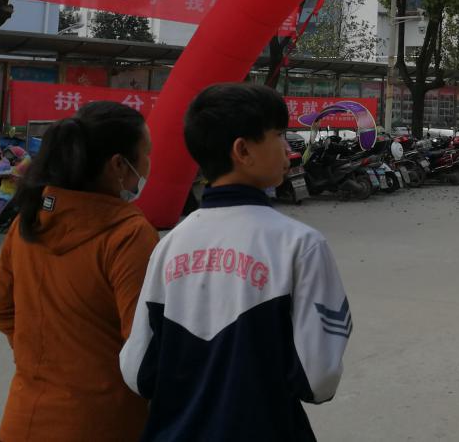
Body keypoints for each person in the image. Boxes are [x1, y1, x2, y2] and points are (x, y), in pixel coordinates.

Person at [121, 83, 349, 441]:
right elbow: (318, 379)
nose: (288, 148)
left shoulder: (169, 245)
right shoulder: (301, 245)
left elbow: (137, 371)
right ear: (243, 150)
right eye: (279, 134)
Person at [0, 102, 158, 442]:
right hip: (102, 424)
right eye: (147, 154)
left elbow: (1, 310)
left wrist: (44, 359)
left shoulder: (28, 222)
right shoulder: (128, 235)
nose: (149, 163)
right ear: (118, 165)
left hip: (23, 420)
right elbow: (145, 348)